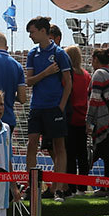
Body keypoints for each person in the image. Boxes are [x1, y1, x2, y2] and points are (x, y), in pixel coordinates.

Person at [23, 17, 71, 200]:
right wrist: (46, 73)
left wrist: (61, 106)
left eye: (32, 32)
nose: (30, 36)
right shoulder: (32, 53)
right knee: (31, 144)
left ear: (43, 31)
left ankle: (59, 188)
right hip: (37, 106)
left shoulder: (59, 53)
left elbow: (68, 83)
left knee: (59, 147)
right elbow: (28, 81)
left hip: (54, 108)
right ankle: (32, 186)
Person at [86, 47, 109, 181]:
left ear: (96, 59)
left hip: (103, 120)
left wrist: (88, 121)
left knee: (106, 155)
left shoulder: (99, 74)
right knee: (108, 154)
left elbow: (95, 99)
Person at [65, 43, 92, 180]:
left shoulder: (68, 76)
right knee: (82, 153)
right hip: (83, 117)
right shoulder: (86, 75)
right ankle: (83, 183)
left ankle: (71, 184)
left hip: (70, 117)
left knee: (70, 153)